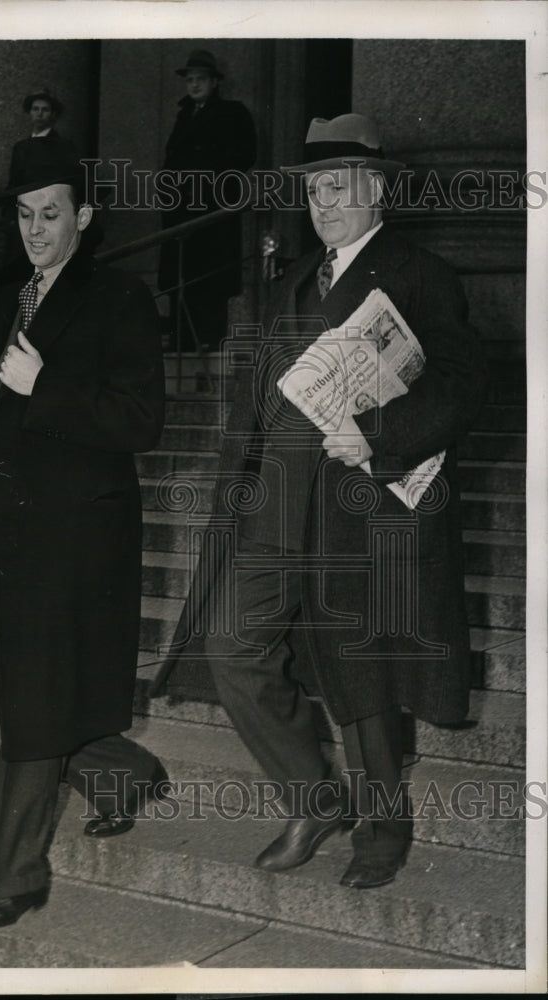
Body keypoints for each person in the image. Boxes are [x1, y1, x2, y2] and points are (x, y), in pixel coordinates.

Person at [151, 114, 486, 890]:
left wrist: (379, 435)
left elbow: (466, 384)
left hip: (360, 501)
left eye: (338, 187)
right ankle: (315, 796)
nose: (323, 203)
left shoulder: (420, 273)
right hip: (274, 500)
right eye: (313, 190)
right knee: (233, 647)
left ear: (376, 190)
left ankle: (382, 829)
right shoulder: (294, 279)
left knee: (364, 676)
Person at [0, 144, 168, 929]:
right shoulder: (7, 298)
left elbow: (140, 421)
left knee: (32, 701)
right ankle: (128, 773)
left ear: (83, 217)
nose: (36, 230)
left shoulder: (121, 298)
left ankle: (10, 880)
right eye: (23, 215)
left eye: (51, 214)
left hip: (75, 543)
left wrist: (45, 384)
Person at [157, 50, 256, 352]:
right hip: (180, 210)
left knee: (210, 277)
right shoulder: (183, 116)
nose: (195, 85)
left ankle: (208, 340)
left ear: (214, 82)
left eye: (201, 79)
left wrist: (212, 184)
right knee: (181, 275)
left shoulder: (232, 113)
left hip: (212, 208)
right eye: (190, 80)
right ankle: (182, 339)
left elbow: (243, 156)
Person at [0, 90, 79, 285]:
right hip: (21, 219)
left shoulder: (63, 147)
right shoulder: (21, 147)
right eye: (35, 109)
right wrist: (9, 217)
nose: (39, 114)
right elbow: (14, 184)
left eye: (45, 110)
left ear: (53, 115)